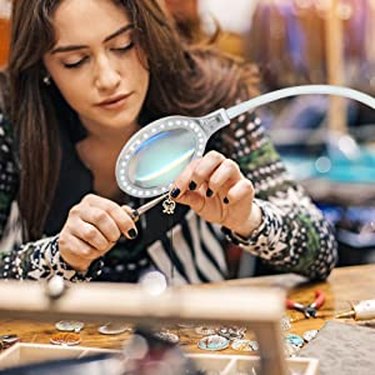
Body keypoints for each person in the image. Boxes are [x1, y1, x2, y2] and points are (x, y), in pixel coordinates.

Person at [0, 0, 337, 284]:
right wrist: (58, 256)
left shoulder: (211, 97)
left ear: (150, 34)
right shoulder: (10, 120)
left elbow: (321, 250)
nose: (107, 78)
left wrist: (248, 218)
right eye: (74, 61)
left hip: (195, 347)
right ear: (42, 66)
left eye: (124, 45)